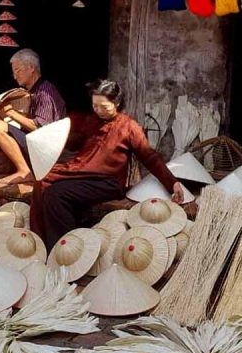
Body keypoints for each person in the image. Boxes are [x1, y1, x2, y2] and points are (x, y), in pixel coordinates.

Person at [30, 79, 185, 248]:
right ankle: (40, 242)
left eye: (104, 106)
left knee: (56, 194)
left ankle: (69, 247)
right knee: (42, 182)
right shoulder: (91, 121)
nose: (98, 111)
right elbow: (73, 143)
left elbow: (149, 156)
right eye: (95, 106)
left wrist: (172, 183)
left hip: (108, 182)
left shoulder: (129, 127)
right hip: (82, 174)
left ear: (116, 103)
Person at [0, 48, 66, 184]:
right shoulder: (31, 92)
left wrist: (12, 113)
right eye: (14, 72)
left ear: (31, 68)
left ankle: (25, 171)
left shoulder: (44, 92)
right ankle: (10, 166)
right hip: (33, 141)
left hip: (45, 146)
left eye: (18, 70)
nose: (15, 76)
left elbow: (40, 128)